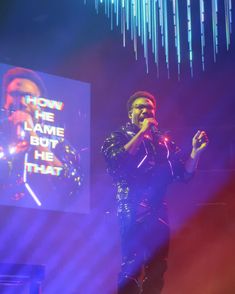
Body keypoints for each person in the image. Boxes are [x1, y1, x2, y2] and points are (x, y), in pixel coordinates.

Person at [102, 91, 208, 294]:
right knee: (132, 262)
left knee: (158, 264)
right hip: (131, 206)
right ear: (130, 113)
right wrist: (141, 133)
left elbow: (183, 174)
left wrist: (195, 152)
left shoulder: (164, 142)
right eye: (140, 107)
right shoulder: (119, 136)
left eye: (149, 108)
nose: (145, 110)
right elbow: (117, 162)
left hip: (158, 210)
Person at [0, 67, 82, 208]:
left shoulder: (57, 141)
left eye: (28, 97)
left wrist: (33, 136)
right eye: (14, 94)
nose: (21, 102)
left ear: (41, 105)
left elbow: (73, 184)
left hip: (42, 222)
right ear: (5, 101)